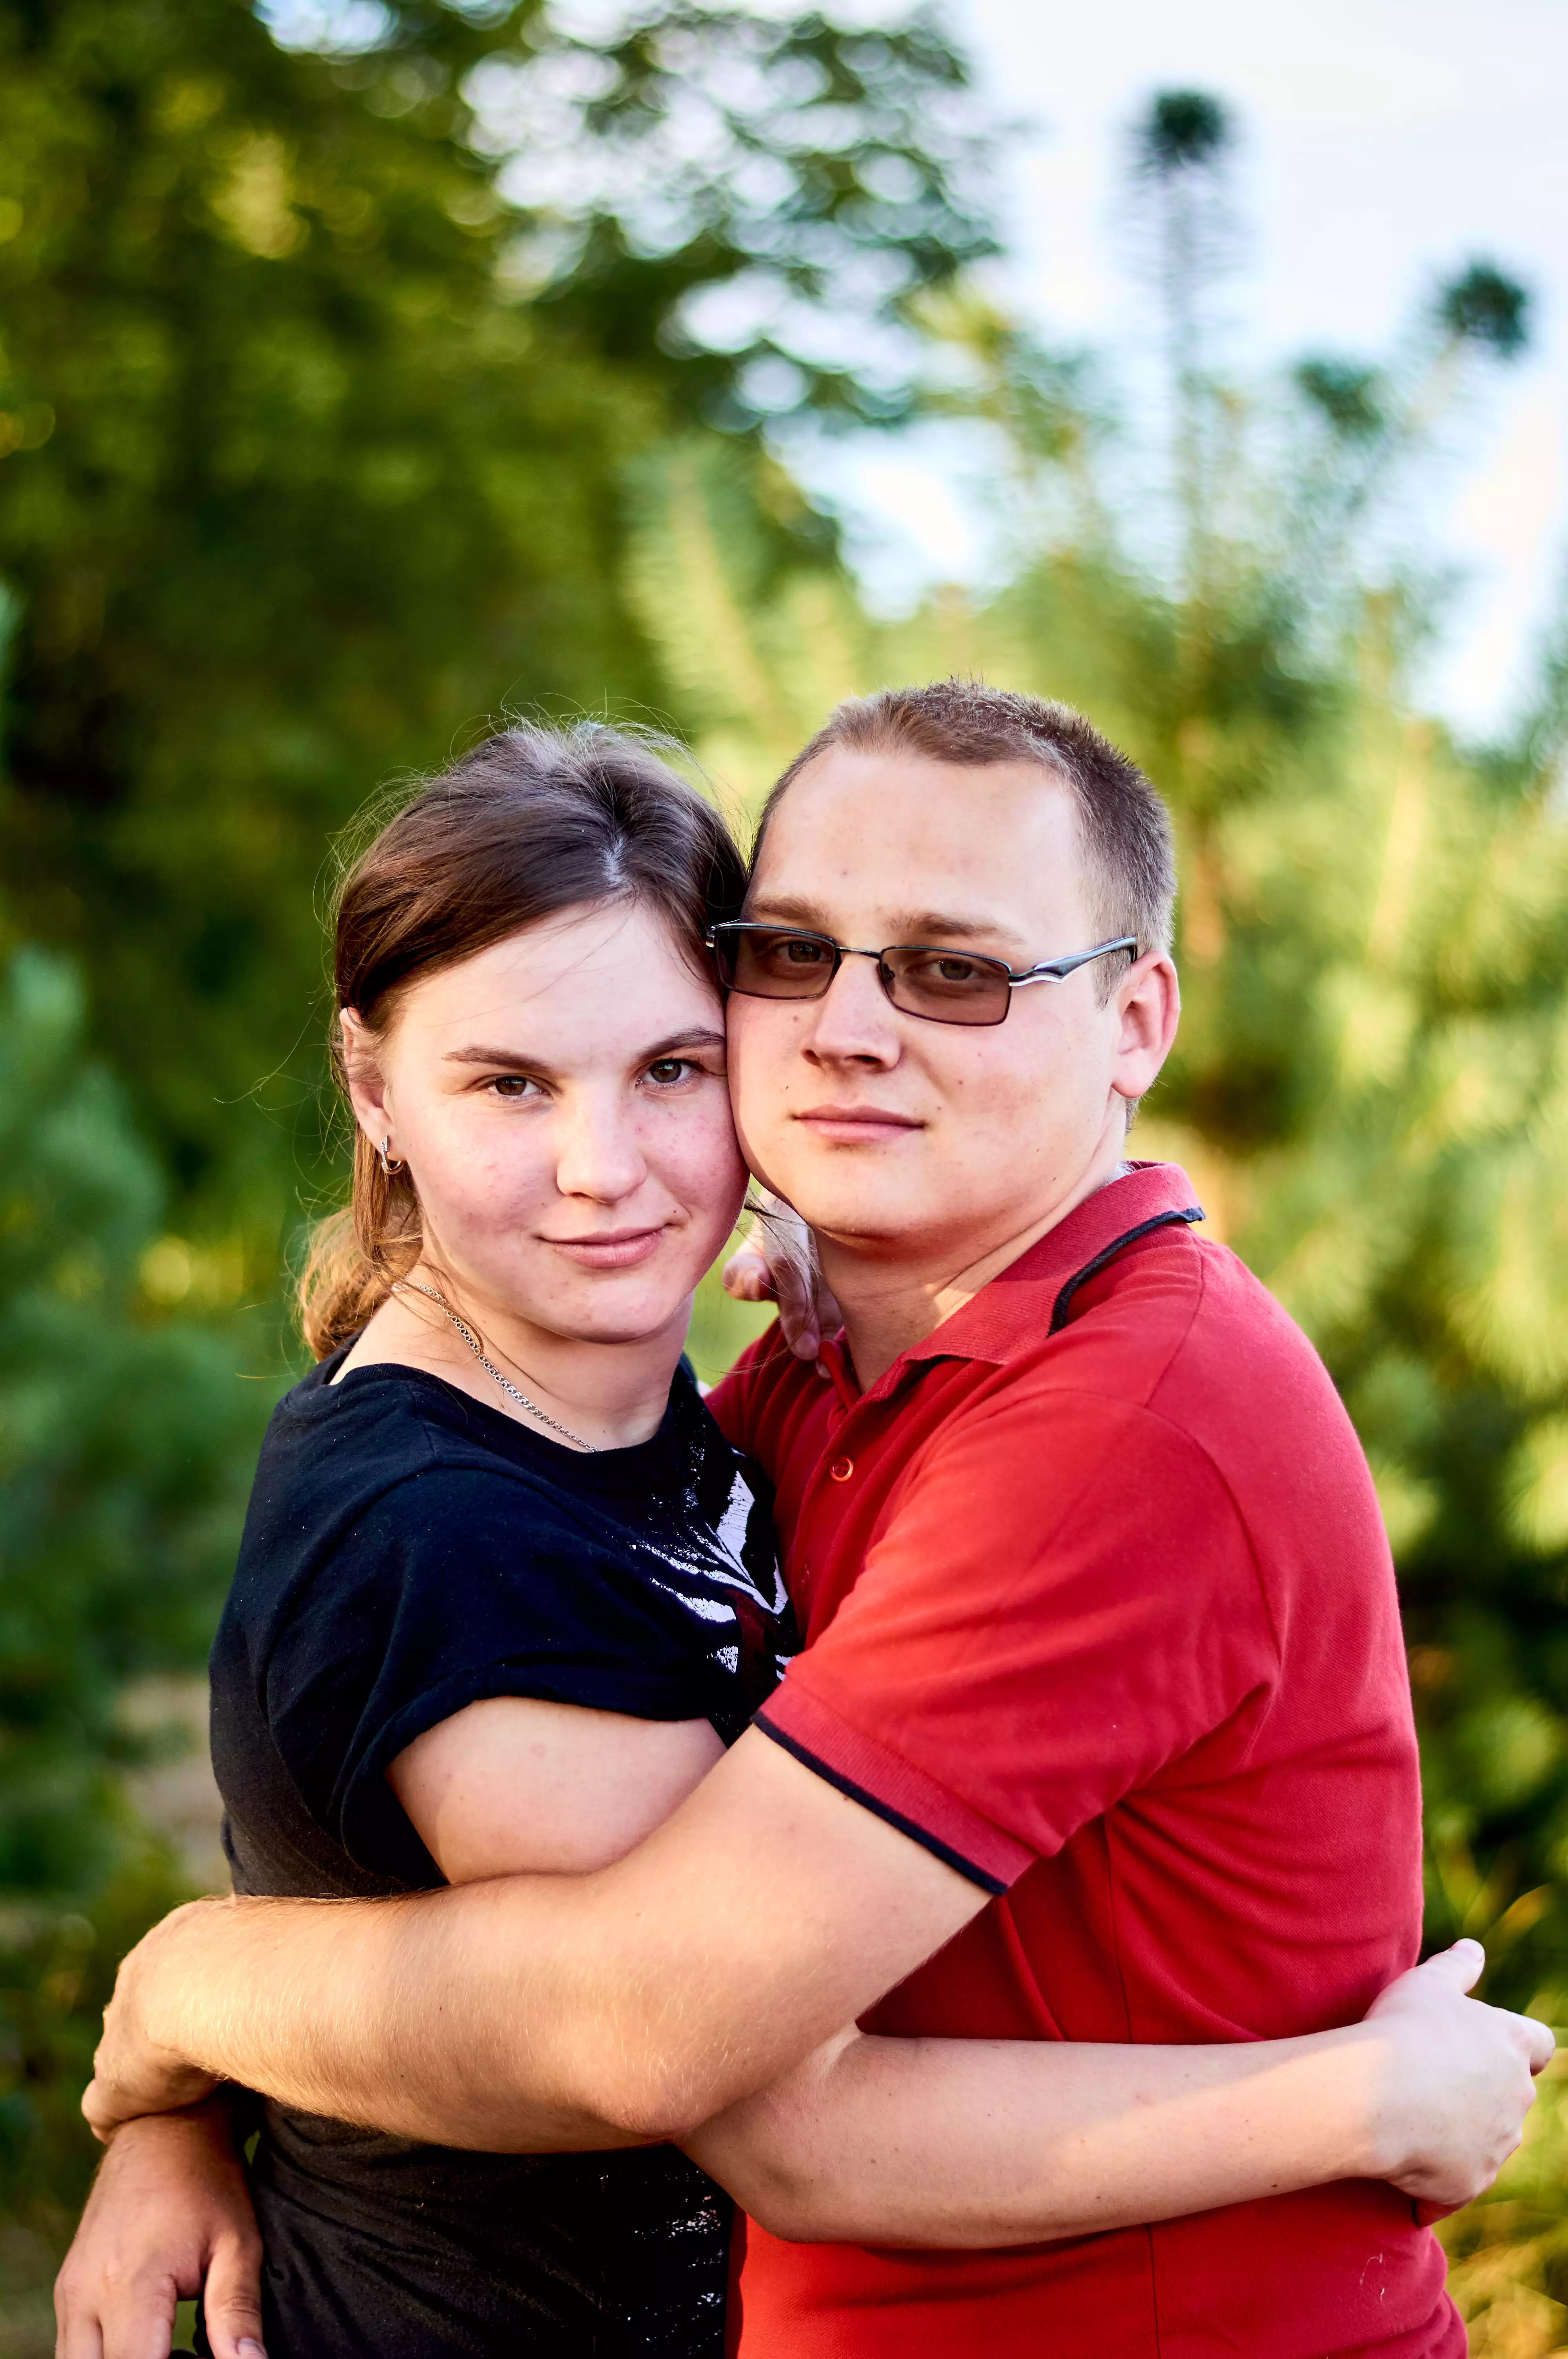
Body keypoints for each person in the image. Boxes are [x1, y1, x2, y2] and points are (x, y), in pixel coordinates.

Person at [72, 686, 1553, 2359]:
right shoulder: (795, 1380)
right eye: (793, 954)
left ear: (1136, 1020)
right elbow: (558, 1967)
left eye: (954, 970)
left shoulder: (1103, 1424)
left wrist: (193, 1994)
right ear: (377, 1091)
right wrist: (181, 2075)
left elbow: (673, 2042)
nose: (848, 1028)